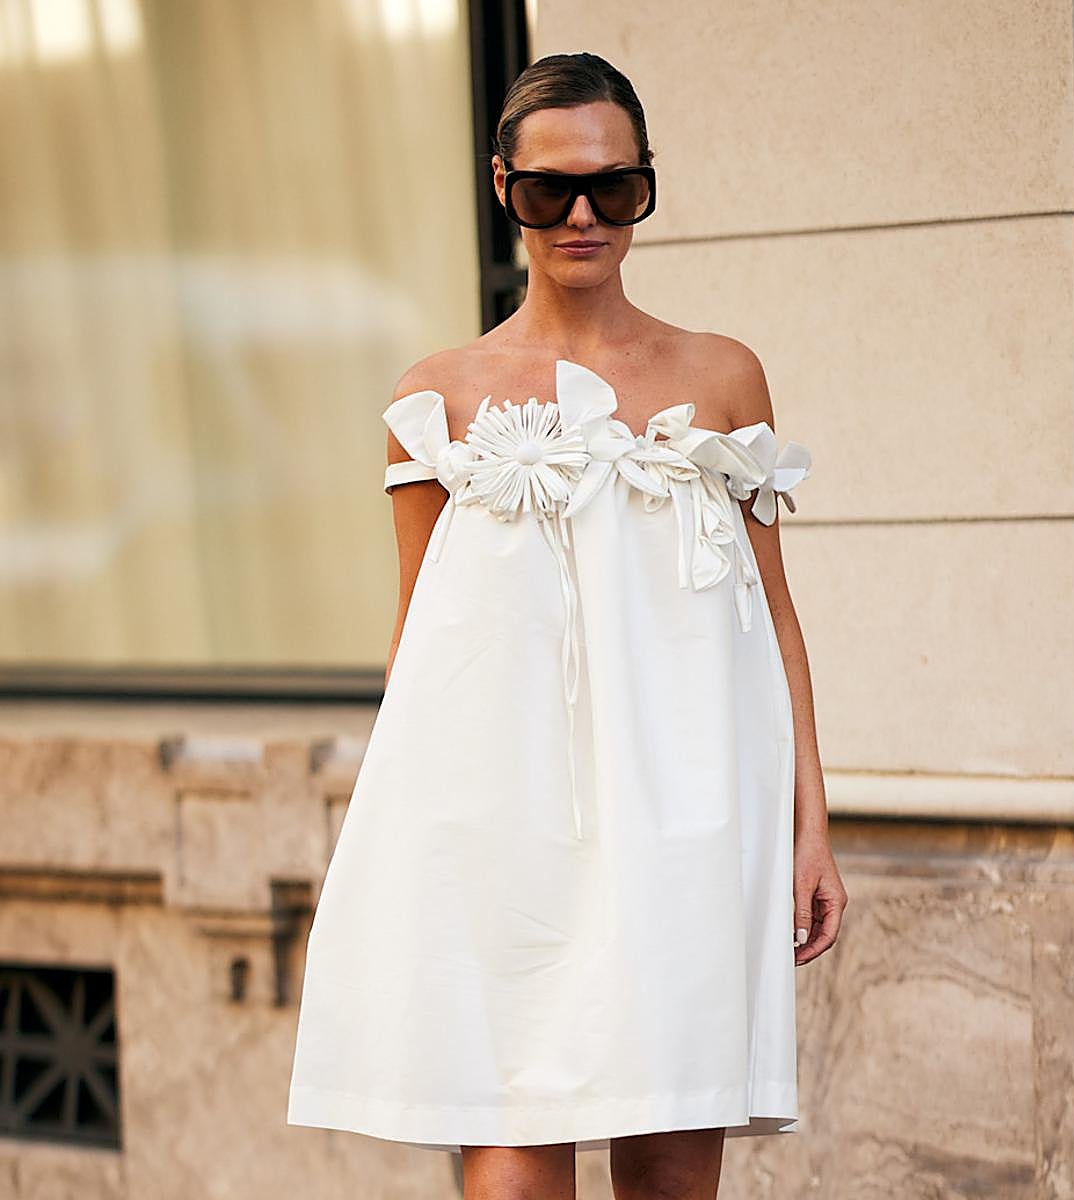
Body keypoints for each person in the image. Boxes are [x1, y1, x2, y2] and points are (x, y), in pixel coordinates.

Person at [287, 50, 848, 1200]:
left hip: (690, 814)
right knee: (509, 1167)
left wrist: (811, 829)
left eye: (616, 187)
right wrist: (410, 852)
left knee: (673, 1170)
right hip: (504, 825)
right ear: (504, 189)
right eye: (552, 191)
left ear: (646, 187)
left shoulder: (724, 375)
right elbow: (419, 644)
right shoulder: (435, 398)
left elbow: (774, 615)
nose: (585, 215)